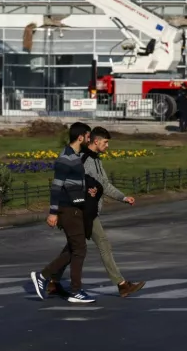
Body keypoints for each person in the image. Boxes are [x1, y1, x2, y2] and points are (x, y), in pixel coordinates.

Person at [48, 127, 146, 298]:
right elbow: (72, 183)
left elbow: (105, 185)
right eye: (105, 142)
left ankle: (52, 281)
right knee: (103, 244)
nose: (107, 146)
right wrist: (87, 192)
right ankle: (122, 284)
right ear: (95, 141)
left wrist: (123, 198)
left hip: (89, 210)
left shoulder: (96, 160)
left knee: (73, 247)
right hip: (84, 211)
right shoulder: (83, 159)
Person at [31, 122, 96, 304]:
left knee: (73, 248)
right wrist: (53, 212)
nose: (89, 139)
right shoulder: (65, 158)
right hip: (68, 209)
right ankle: (75, 291)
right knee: (80, 249)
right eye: (88, 136)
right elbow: (56, 187)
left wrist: (87, 191)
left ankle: (43, 276)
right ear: (81, 137)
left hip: (76, 207)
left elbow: (73, 183)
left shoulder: (74, 156)